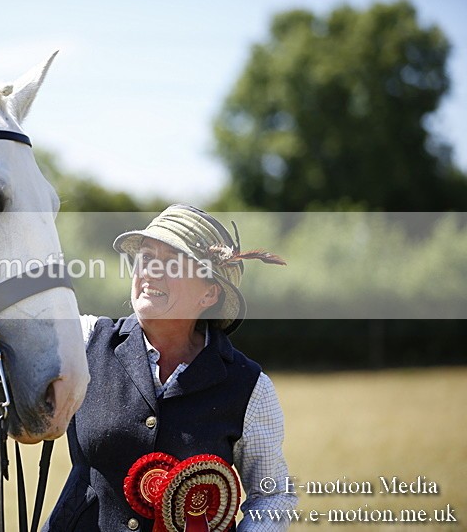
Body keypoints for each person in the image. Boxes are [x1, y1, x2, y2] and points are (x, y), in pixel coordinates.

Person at [43, 204, 297, 531]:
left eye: (172, 263)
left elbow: (272, 495)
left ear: (209, 294)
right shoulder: (85, 339)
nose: (150, 271)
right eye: (146, 257)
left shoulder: (250, 388)